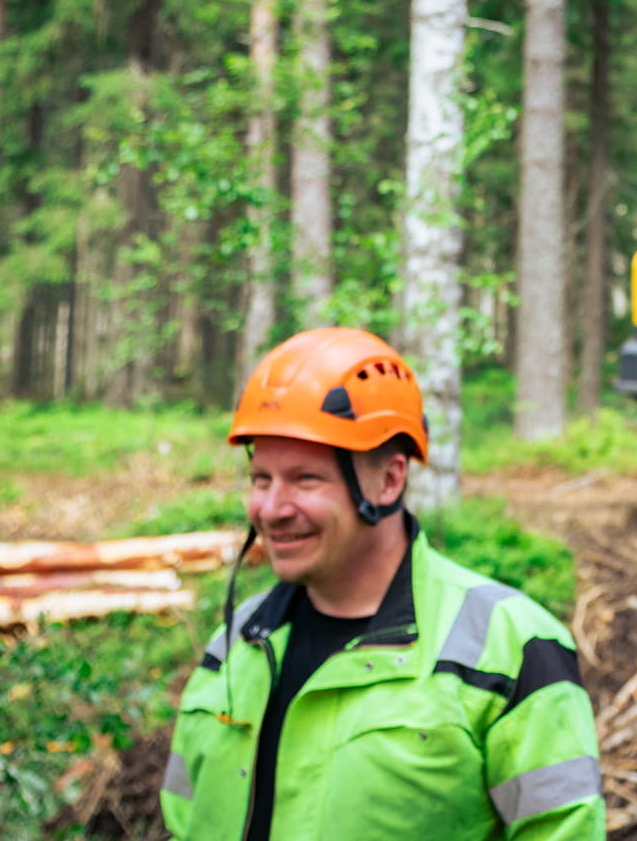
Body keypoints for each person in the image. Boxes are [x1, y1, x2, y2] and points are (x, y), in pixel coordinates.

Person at [161, 327, 604, 841]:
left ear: (389, 480)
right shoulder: (234, 645)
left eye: (305, 479)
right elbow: (183, 821)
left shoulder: (508, 649)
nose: (271, 509)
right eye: (262, 479)